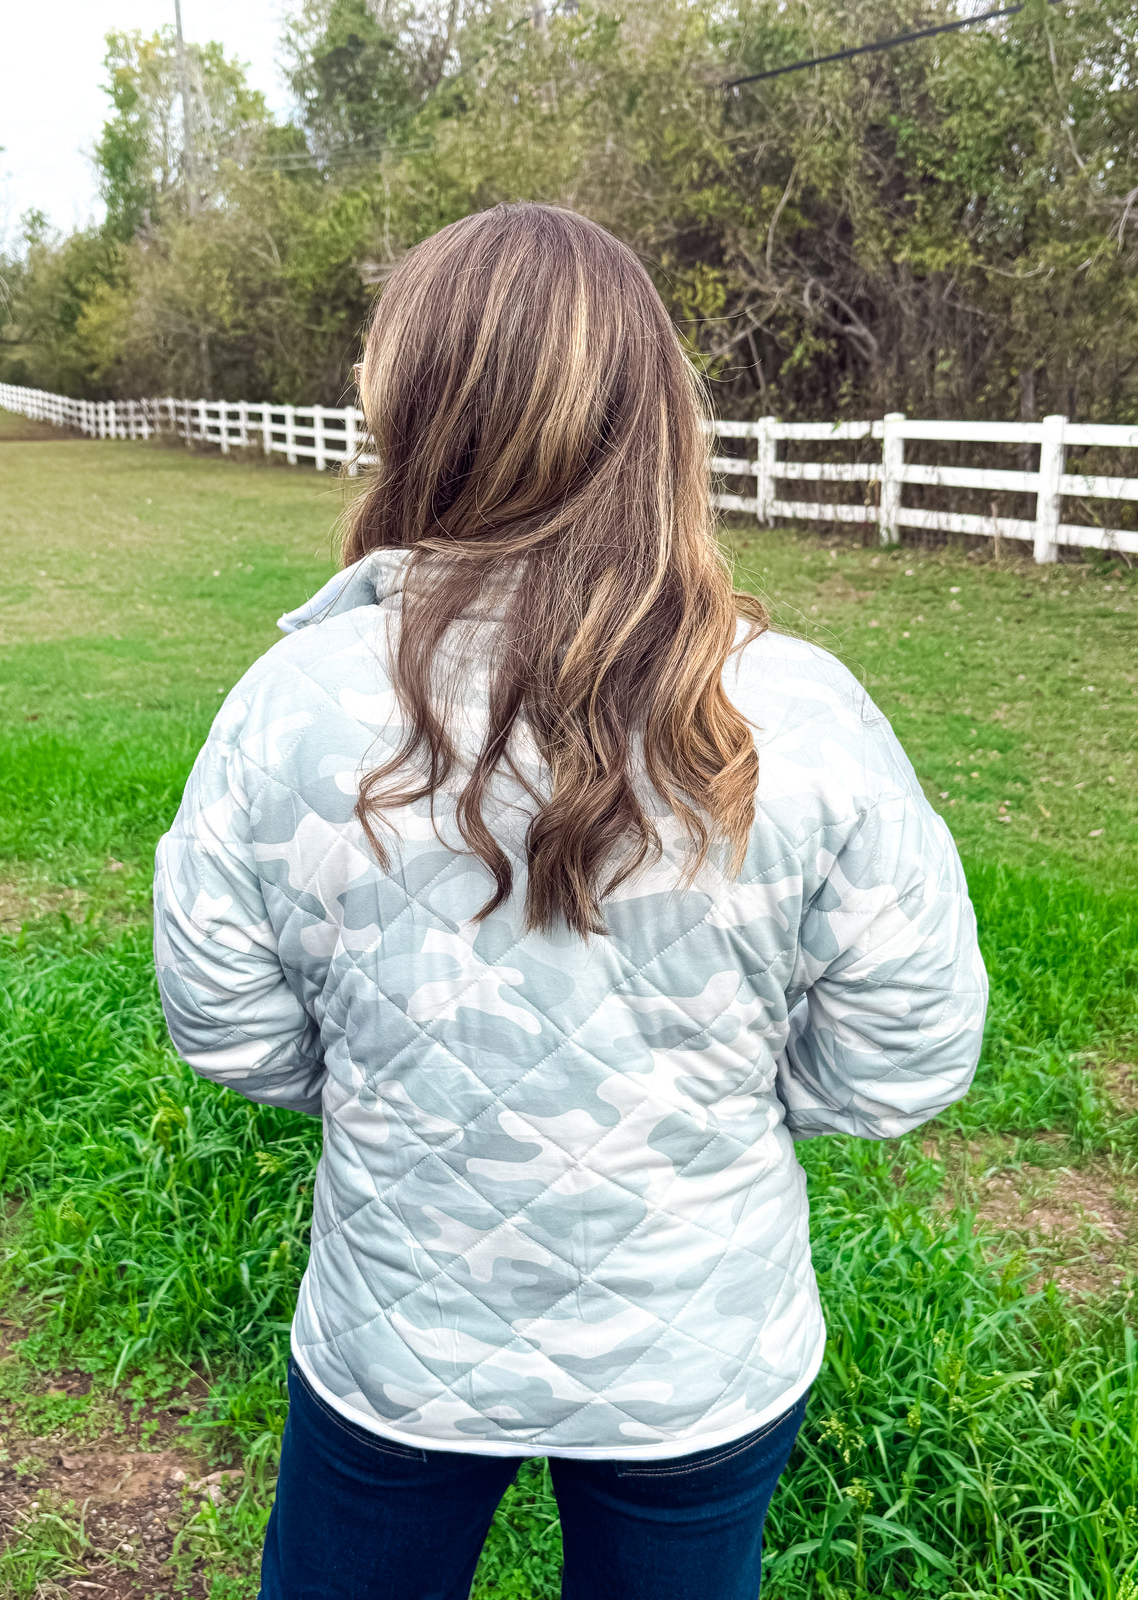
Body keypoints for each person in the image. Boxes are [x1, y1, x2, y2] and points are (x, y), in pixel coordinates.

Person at [152, 202, 988, 1600]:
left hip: (402, 1330)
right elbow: (910, 1051)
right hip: (700, 1348)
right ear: (657, 415)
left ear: (417, 409)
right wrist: (717, 1101)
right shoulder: (801, 711)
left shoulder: (289, 704)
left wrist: (386, 1089)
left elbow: (224, 1021)